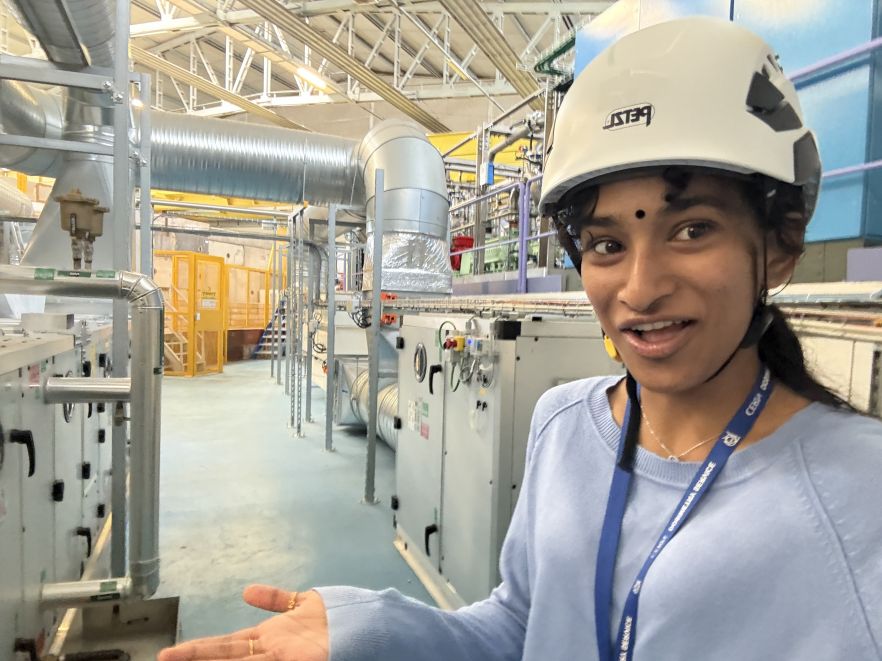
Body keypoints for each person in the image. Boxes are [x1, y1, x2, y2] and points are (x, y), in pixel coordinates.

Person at [158, 16, 882, 661]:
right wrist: (373, 631)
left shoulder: (860, 494)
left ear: (780, 246)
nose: (639, 287)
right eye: (605, 243)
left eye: (691, 230)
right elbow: (519, 625)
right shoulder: (565, 427)